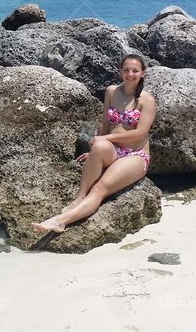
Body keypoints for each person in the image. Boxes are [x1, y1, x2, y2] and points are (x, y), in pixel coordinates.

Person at [33, 54, 157, 233]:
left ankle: (60, 221)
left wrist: (106, 139)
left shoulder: (147, 100)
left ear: (143, 73)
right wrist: (94, 153)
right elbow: (105, 123)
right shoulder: (112, 91)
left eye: (135, 71)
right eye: (126, 70)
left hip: (135, 155)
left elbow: (140, 133)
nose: (130, 74)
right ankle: (80, 197)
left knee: (99, 188)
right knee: (98, 147)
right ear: (120, 72)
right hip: (112, 150)